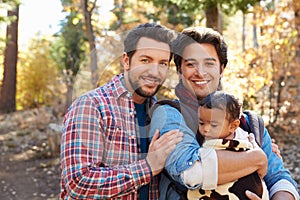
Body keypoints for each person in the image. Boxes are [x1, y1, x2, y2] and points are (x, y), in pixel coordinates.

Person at [149, 27, 299, 200]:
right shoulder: (168, 113)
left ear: (221, 69)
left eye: (209, 63)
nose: (200, 72)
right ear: (179, 70)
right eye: (190, 64)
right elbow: (190, 172)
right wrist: (257, 158)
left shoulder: (249, 122)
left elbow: (279, 177)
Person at [60, 23, 184, 199]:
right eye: (145, 60)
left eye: (162, 63)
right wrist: (148, 167)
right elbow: (79, 183)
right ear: (126, 61)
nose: (154, 71)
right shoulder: (91, 106)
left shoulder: (161, 112)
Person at [187, 91, 268, 199]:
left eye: (214, 125)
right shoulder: (197, 140)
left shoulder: (247, 140)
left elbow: (262, 171)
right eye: (201, 123)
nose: (205, 129)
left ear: (233, 126)